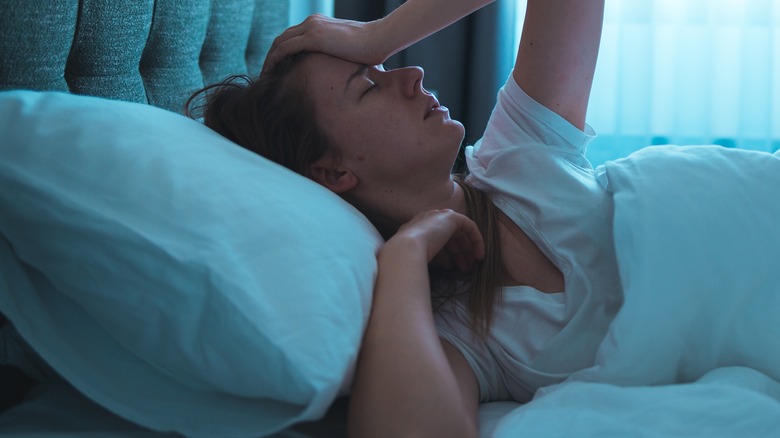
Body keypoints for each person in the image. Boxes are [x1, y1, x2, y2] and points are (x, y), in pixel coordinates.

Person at [187, 0, 621, 436]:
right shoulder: (457, 332)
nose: (413, 75)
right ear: (334, 172)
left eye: (385, 64)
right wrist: (406, 254)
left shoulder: (518, 152)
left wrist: (380, 35)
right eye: (369, 87)